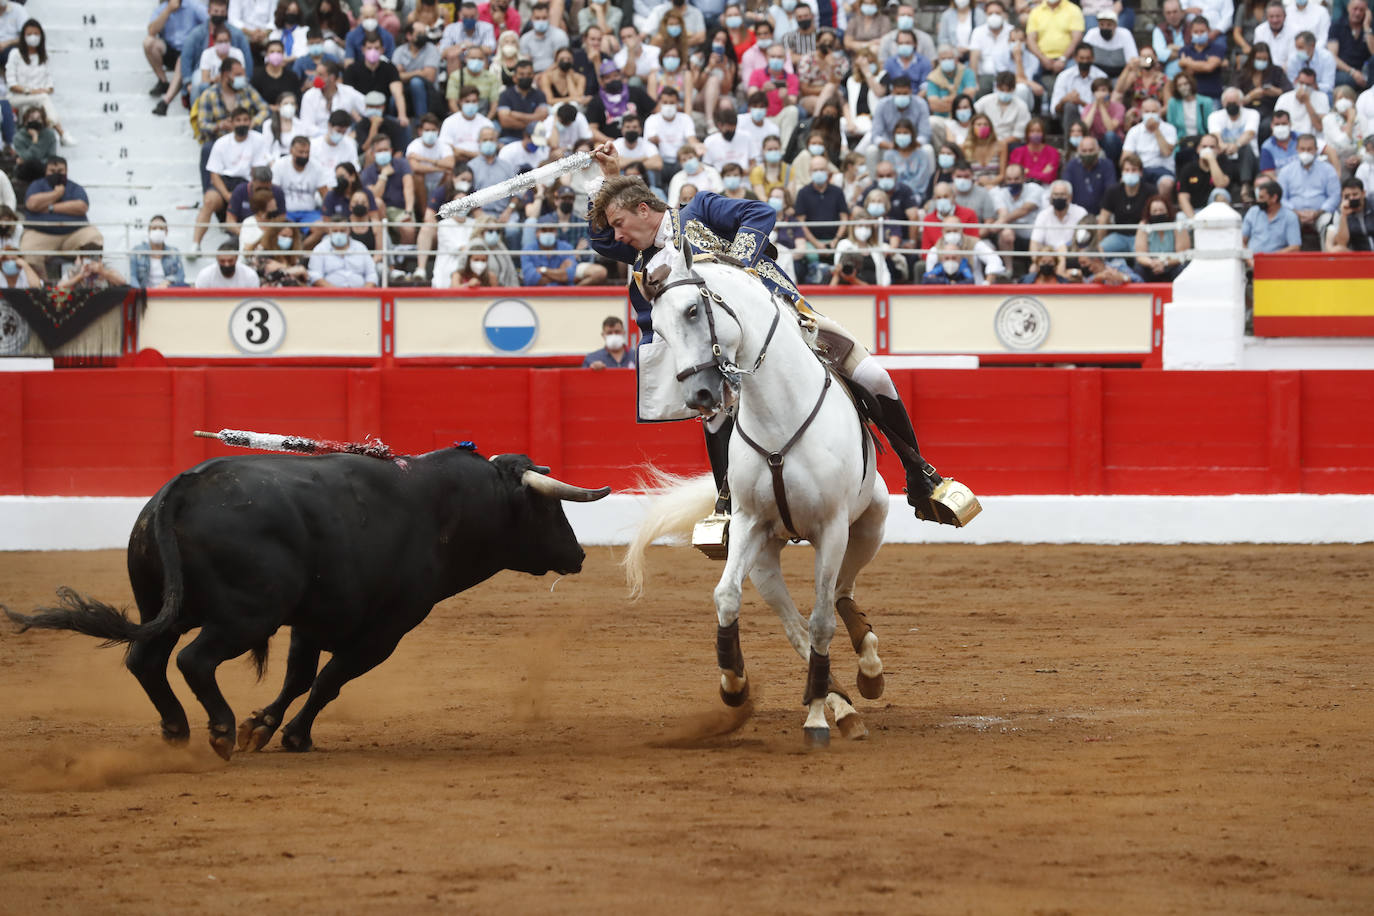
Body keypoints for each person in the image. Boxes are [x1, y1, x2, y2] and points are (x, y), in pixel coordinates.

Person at [586, 140, 960, 528]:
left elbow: (757, 211)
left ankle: (920, 475)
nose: (615, 236)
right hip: (721, 352)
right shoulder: (644, 256)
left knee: (872, 375)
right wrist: (609, 179)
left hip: (782, 318)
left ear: (644, 210)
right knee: (712, 412)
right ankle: (726, 508)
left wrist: (737, 267)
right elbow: (598, 239)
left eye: (619, 224)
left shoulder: (697, 210)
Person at [20, 157, 103, 278]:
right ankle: (40, 288)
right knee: (28, 250)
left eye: (60, 171)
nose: (56, 174)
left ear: (66, 171)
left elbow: (82, 206)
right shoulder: (36, 185)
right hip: (41, 233)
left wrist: (50, 208)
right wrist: (56, 194)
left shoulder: (75, 187)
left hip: (74, 233)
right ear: (46, 171)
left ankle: (86, 282)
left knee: (94, 238)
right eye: (52, 171)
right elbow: (32, 204)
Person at [1277, 133, 1341, 245]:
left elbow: (1335, 195)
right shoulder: (1286, 171)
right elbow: (1281, 198)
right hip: (1294, 214)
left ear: (1316, 150)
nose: (1305, 152)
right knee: (1286, 220)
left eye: (1309, 149)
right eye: (1302, 149)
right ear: (1297, 149)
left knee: (1329, 223)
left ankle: (1328, 259)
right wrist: (1296, 212)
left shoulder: (1327, 169)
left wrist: (1318, 212)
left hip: (1321, 213)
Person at [1098, 152, 1150, 252]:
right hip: (1118, 236)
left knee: (1141, 258)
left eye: (1134, 170)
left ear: (1140, 172)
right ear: (1122, 172)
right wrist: (1099, 245)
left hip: (1141, 235)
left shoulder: (1150, 191)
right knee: (1101, 250)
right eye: (1127, 170)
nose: (1130, 173)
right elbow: (1103, 218)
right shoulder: (1112, 191)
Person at [1122, 97, 1178, 185]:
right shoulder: (1134, 131)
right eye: (1147, 112)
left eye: (1154, 112)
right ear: (1141, 113)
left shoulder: (1169, 129)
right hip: (1140, 169)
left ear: (1159, 112)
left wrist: (1156, 130)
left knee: (1166, 184)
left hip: (1163, 169)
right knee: (1126, 180)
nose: (1150, 115)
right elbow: (1125, 158)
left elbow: (1166, 152)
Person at [1133, 194, 1188, 281]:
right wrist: (1152, 263)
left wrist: (1165, 263)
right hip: (1151, 266)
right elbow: (1140, 255)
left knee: (1182, 267)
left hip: (1172, 265)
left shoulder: (1177, 223)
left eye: (1161, 210)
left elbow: (1182, 253)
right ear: (1149, 213)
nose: (1158, 213)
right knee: (1138, 268)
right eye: (1154, 211)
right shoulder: (1144, 225)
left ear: (1168, 211)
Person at [309, 218, 380, 285]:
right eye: (335, 231)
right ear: (329, 231)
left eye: (342, 231)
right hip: (330, 296)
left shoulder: (360, 247)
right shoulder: (320, 249)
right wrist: (337, 293)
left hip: (361, 295)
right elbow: (315, 275)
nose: (338, 234)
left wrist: (364, 293)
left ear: (349, 230)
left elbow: (371, 274)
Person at [1242, 177, 1302, 251]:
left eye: (1262, 198)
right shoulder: (1253, 212)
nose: (1258, 201)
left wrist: (1270, 259)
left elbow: (1295, 247)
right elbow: (1242, 241)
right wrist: (1249, 259)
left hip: (1277, 261)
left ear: (1274, 198)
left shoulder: (1290, 216)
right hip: (1252, 260)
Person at [130, 215, 188, 288]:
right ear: (149, 231)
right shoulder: (137, 251)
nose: (157, 231)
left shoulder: (174, 252)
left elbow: (181, 276)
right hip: (145, 294)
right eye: (154, 228)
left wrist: (168, 281)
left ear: (166, 232)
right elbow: (132, 277)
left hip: (167, 293)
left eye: (161, 228)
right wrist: (140, 293)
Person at [1030, 180, 1089, 252]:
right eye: (1056, 194)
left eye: (1062, 195)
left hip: (1073, 255)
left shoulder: (1081, 213)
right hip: (1050, 257)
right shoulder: (1043, 215)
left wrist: (1066, 248)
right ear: (1051, 197)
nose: (1059, 197)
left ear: (1070, 197)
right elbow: (1035, 242)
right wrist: (1036, 260)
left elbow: (1084, 240)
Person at [1331, 177, 1374, 251]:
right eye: (1347, 196)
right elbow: (1342, 243)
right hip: (1357, 254)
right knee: (1338, 250)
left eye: (1355, 194)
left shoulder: (1372, 204)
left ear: (1363, 193)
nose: (1351, 198)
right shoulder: (1340, 212)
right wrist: (1344, 216)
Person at [195, 240, 261, 287]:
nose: (227, 264)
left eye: (230, 261)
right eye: (222, 261)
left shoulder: (249, 275)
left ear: (236, 258)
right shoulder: (205, 275)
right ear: (217, 259)